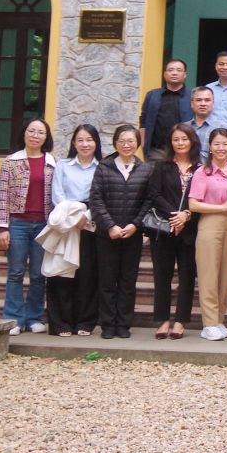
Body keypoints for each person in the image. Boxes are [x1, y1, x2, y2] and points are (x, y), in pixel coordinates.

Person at [88, 124, 152, 340]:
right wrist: (110, 226)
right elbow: (96, 200)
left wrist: (135, 225)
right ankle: (107, 324)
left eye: (131, 141)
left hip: (132, 234)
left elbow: (148, 201)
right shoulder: (104, 167)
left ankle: (124, 324)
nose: (126, 145)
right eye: (122, 141)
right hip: (107, 234)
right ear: (115, 143)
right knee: (107, 281)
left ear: (137, 143)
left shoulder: (144, 169)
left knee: (127, 282)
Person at [0, 118, 55, 335]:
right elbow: (3, 196)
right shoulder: (10, 162)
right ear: (24, 133)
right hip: (17, 223)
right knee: (16, 272)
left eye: (40, 132)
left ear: (46, 137)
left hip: (43, 225)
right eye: (31, 131)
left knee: (39, 274)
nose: (35, 136)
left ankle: (34, 317)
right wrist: (3, 227)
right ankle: (13, 319)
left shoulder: (53, 163)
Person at [144, 122, 200, 339]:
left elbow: (202, 197)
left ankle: (180, 321)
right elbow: (154, 195)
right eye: (176, 139)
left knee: (187, 278)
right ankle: (163, 320)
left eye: (184, 139)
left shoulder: (200, 169)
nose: (180, 143)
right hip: (163, 229)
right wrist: (175, 216)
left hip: (190, 230)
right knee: (162, 276)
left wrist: (186, 215)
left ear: (192, 141)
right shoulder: (162, 167)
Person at [45, 124, 102, 337]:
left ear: (96, 143)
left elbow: (101, 196)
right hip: (65, 221)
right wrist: (72, 216)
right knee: (62, 271)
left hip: (90, 224)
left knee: (88, 273)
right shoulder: (63, 166)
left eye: (89, 140)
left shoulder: (102, 168)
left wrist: (86, 215)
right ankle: (60, 323)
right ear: (73, 143)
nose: (85, 144)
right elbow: (57, 194)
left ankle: (85, 321)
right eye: (80, 140)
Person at [189, 127, 227, 341]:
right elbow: (193, 204)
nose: (221, 148)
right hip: (210, 222)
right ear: (210, 147)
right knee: (209, 273)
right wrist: (221, 207)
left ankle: (219, 319)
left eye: (225, 144)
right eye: (217, 144)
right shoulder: (203, 172)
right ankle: (209, 323)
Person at [138, 57, 190, 156]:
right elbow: (143, 121)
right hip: (156, 151)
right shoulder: (152, 95)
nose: (174, 73)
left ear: (185, 75)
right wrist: (144, 144)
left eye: (179, 70)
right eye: (170, 70)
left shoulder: (192, 96)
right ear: (165, 74)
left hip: (184, 151)